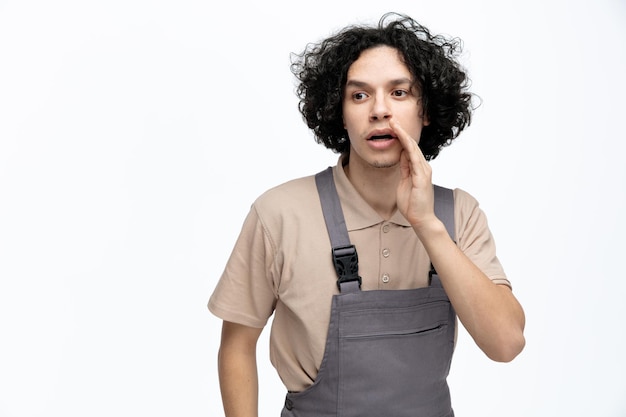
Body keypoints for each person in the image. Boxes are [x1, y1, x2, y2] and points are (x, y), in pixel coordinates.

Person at [209, 12, 525, 417]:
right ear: (339, 112)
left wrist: (428, 225)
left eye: (399, 93)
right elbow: (236, 345)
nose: (379, 110)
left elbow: (507, 344)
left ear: (426, 111)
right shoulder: (279, 213)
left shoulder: (458, 214)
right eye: (359, 95)